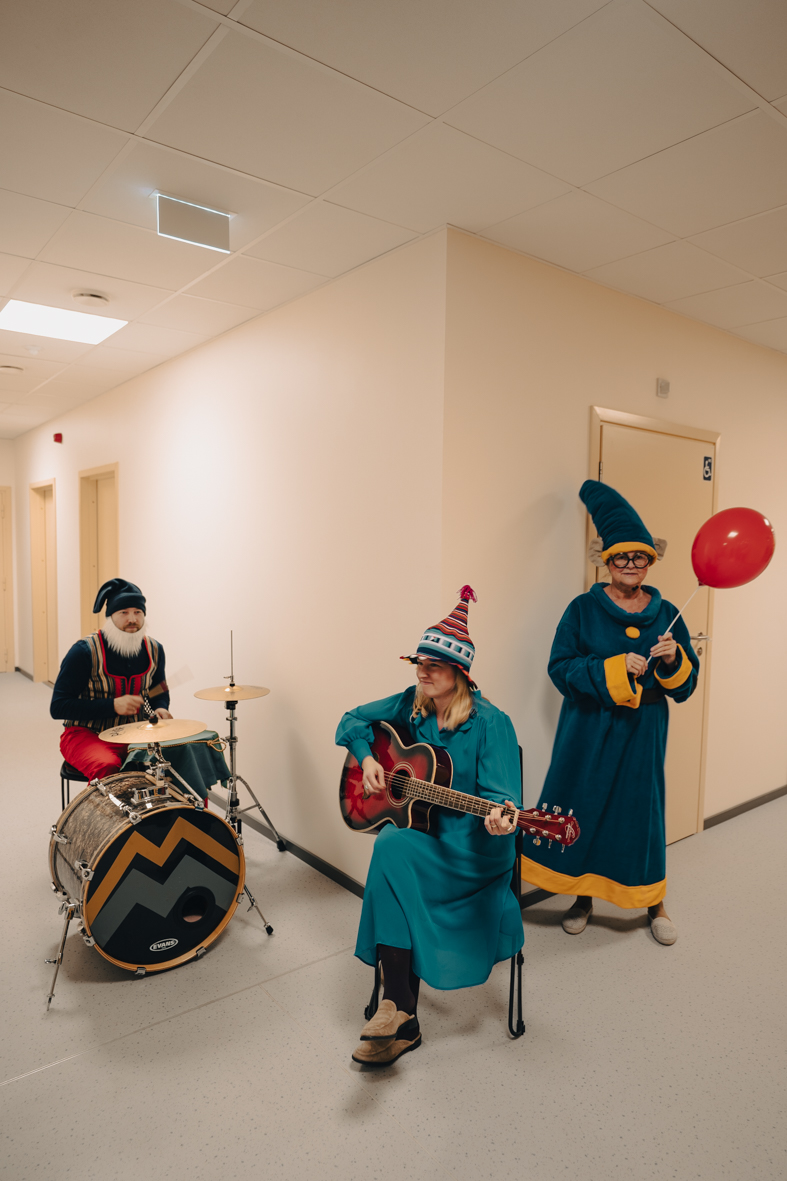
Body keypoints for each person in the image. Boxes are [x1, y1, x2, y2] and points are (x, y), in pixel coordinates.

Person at [335, 587, 523, 1067]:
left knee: (391, 853)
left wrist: (501, 819)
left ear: (459, 673)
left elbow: (505, 800)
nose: (422, 672)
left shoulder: (491, 723)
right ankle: (399, 1012)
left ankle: (399, 1012)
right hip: (427, 838)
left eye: (434, 666)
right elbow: (351, 719)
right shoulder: (411, 703)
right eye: (419, 662)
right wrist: (367, 759)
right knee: (392, 843)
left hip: (472, 852)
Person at [520, 481, 700, 946]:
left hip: (643, 730)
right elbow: (560, 668)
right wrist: (614, 670)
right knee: (584, 807)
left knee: (641, 813)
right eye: (621, 557)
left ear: (650, 561)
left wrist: (673, 660)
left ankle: (654, 902)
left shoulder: (667, 612)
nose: (631, 565)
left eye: (640, 557)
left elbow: (687, 686)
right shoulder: (582, 609)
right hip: (588, 728)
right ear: (606, 560)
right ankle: (583, 898)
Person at [51, 578, 171, 782]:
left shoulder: (155, 649)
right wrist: (112, 706)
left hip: (135, 733)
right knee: (107, 766)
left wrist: (160, 707)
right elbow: (58, 707)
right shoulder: (83, 652)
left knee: (181, 756)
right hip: (86, 734)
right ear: (110, 616)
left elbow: (158, 691)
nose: (132, 619)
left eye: (138, 612)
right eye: (124, 612)